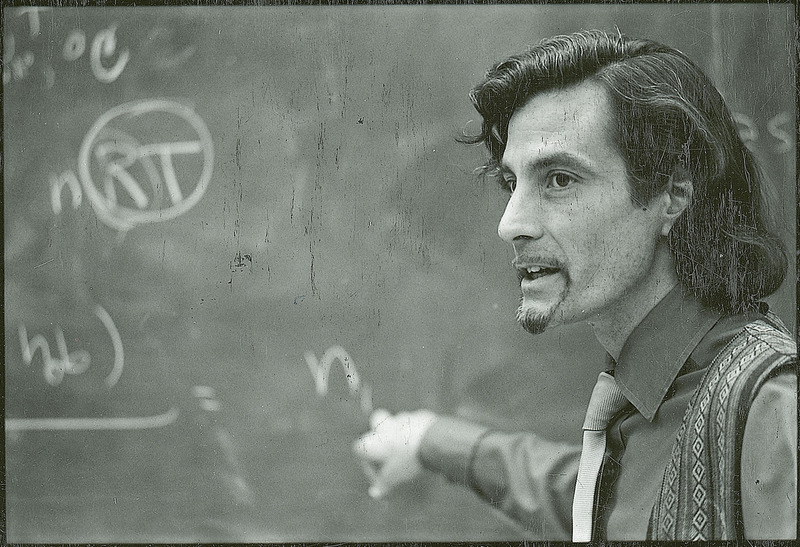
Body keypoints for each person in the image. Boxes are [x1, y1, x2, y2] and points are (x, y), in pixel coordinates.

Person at [352, 30, 797, 541]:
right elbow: (602, 506)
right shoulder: (649, 392)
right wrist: (431, 439)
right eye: (511, 183)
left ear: (672, 195)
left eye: (560, 179)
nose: (509, 223)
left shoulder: (773, 411)